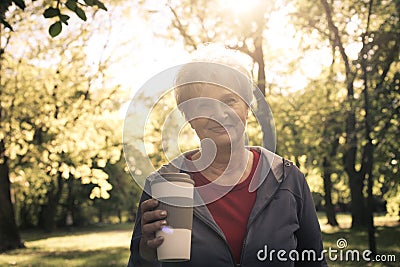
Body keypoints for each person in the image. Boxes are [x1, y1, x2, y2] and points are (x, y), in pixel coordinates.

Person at [127, 45, 328, 267]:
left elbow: (314, 262)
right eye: (204, 105)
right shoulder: (162, 184)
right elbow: (139, 263)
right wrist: (146, 251)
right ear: (190, 118)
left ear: (247, 109)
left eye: (229, 101)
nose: (219, 114)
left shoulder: (288, 179)